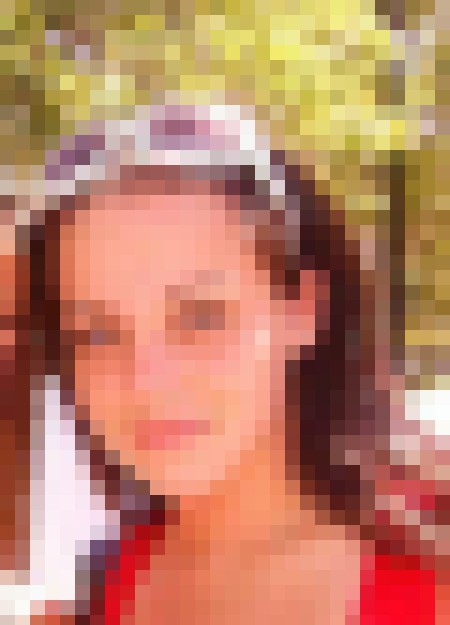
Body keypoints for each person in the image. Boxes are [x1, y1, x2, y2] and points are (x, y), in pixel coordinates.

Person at [31, 104, 370, 624]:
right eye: (97, 333)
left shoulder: (430, 592)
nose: (148, 382)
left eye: (200, 317)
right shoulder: (82, 598)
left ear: (304, 311)